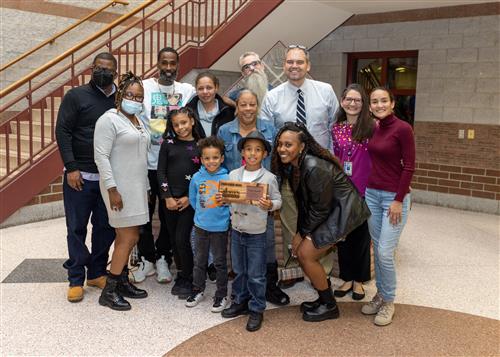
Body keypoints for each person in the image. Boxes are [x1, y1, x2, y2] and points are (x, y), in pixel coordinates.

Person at [271, 122, 370, 322]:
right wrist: (300, 233)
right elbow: (305, 206)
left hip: (345, 215)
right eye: (280, 144)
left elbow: (319, 209)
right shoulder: (294, 166)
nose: (282, 149)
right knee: (301, 252)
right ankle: (324, 298)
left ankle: (329, 305)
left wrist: (301, 235)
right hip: (329, 213)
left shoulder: (314, 166)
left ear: (301, 146)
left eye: (288, 145)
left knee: (306, 254)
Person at [261, 45, 340, 287]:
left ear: (308, 65)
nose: (294, 66)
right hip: (287, 171)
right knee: (289, 221)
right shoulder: (272, 96)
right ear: (284, 66)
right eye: (290, 62)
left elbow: (335, 127)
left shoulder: (325, 91)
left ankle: (321, 270)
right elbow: (266, 135)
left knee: (320, 220)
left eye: (299, 62)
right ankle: (293, 268)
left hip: (320, 171)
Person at [55, 52, 117, 303]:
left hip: (107, 178)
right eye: (99, 68)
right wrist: (71, 167)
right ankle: (75, 278)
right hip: (78, 176)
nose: (103, 72)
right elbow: (63, 131)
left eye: (108, 69)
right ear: (92, 69)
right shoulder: (75, 96)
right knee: (77, 228)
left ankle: (97, 272)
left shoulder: (120, 99)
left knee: (105, 227)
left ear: (115, 72)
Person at [218, 89, 290, 306]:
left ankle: (269, 286)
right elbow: (220, 163)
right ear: (236, 106)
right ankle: (242, 293)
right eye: (243, 104)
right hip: (237, 202)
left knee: (266, 244)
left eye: (252, 105)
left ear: (257, 106)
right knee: (239, 247)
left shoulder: (269, 128)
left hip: (261, 200)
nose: (247, 109)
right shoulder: (224, 130)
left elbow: (279, 157)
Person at [132, 47, 196, 284]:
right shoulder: (145, 87)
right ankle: (147, 258)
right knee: (144, 214)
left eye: (173, 63)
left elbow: (210, 97)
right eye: (164, 63)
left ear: (178, 65)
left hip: (173, 166)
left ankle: (163, 258)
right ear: (157, 63)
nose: (168, 68)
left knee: (169, 215)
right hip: (146, 164)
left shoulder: (186, 90)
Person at [94, 71, 149, 311]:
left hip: (137, 187)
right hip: (118, 188)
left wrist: (146, 187)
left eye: (139, 97)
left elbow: (141, 158)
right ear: (119, 96)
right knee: (127, 237)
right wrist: (112, 189)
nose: (134, 100)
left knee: (130, 237)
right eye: (129, 95)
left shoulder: (139, 121)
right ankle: (109, 290)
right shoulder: (109, 119)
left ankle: (122, 280)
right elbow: (101, 157)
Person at [361, 87, 415, 326]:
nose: (379, 105)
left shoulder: (403, 129)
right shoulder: (373, 127)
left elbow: (410, 166)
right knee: (377, 247)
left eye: (384, 100)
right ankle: (380, 295)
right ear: (370, 105)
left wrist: (398, 200)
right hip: (372, 194)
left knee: (384, 252)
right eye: (374, 101)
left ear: (392, 103)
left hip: (394, 198)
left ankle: (389, 300)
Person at [221, 131, 282, 332]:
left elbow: (278, 201)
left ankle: (257, 308)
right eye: (248, 149)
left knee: (256, 274)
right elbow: (228, 196)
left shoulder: (269, 178)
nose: (252, 153)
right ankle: (240, 301)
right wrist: (224, 198)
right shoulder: (233, 175)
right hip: (237, 230)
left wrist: (269, 204)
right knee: (239, 270)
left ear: (264, 154)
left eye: (257, 150)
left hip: (257, 232)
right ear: (242, 153)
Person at [332, 84, 374, 300]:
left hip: (366, 190)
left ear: (363, 103)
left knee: (361, 237)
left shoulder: (372, 127)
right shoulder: (336, 128)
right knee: (344, 236)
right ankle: (347, 278)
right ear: (342, 101)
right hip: (342, 190)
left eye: (357, 100)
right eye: (349, 99)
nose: (352, 103)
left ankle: (359, 280)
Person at [157, 107, 202, 299]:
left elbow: (204, 175)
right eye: (176, 125)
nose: (180, 127)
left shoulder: (201, 145)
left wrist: (189, 199)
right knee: (174, 240)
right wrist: (166, 197)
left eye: (184, 122)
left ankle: (189, 277)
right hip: (170, 202)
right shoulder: (167, 144)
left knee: (182, 239)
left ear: (192, 121)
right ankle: (181, 273)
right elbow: (161, 172)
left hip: (189, 202)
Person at [186, 136, 230, 312]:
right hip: (200, 227)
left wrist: (225, 202)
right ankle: (198, 290)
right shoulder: (197, 177)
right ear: (201, 159)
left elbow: (232, 201)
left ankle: (221, 295)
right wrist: (201, 216)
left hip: (220, 228)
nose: (211, 161)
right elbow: (192, 199)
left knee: (219, 262)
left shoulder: (227, 177)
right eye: (207, 158)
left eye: (215, 157)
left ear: (221, 158)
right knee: (199, 261)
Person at [186, 71, 235, 137]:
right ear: (196, 90)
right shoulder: (188, 112)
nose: (205, 92)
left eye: (209, 88)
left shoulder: (228, 111)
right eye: (201, 88)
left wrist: (235, 105)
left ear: (216, 88)